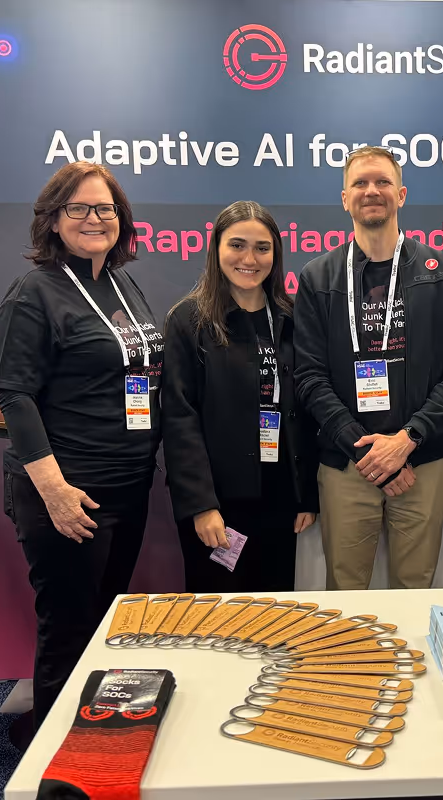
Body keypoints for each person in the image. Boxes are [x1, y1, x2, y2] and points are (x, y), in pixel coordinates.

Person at [0, 161, 164, 727]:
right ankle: (53, 769)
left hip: (126, 485)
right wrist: (54, 491)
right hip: (69, 492)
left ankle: (93, 744)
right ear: (53, 219)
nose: (95, 218)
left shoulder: (119, 282)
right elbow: (15, 395)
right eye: (79, 208)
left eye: (106, 208)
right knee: (68, 630)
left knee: (101, 625)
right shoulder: (33, 292)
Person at [294, 145, 443, 590]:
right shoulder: (318, 278)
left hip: (422, 461)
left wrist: (407, 442)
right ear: (344, 198)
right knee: (346, 592)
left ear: (402, 194)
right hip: (347, 464)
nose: (371, 191)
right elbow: (310, 378)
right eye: (360, 183)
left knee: (414, 590)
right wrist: (366, 450)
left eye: (382, 182)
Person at [162, 201, 319, 592]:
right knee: (218, 623)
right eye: (237, 245)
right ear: (216, 249)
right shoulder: (188, 321)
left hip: (280, 497)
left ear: (276, 254)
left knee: (274, 617)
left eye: (262, 248)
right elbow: (180, 419)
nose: (249, 258)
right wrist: (201, 505)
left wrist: (306, 496)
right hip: (219, 504)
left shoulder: (291, 317)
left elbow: (305, 410)